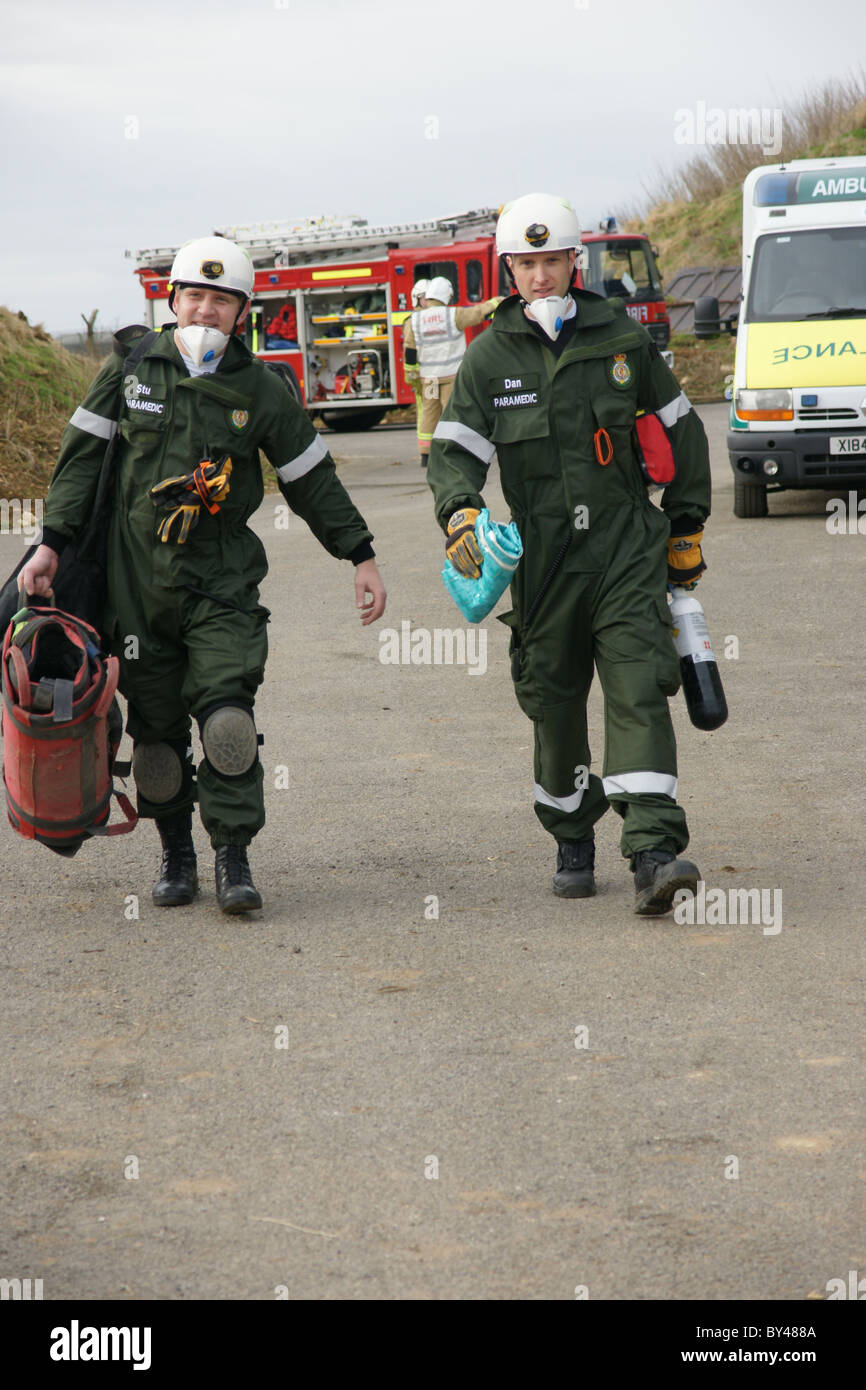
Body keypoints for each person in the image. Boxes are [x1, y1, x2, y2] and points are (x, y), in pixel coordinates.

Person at [21, 236, 386, 915]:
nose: (207, 310)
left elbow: (311, 480)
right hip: (135, 590)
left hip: (220, 587)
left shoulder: (260, 388)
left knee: (227, 723)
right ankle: (176, 853)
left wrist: (359, 553)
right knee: (157, 740)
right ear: (173, 299)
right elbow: (77, 464)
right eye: (196, 295)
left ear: (242, 311)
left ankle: (233, 856)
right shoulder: (130, 369)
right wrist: (50, 545)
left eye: (223, 300)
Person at [427, 194, 711, 915]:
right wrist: (461, 511)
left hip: (623, 550)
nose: (541, 275)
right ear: (508, 269)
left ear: (573, 262)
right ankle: (571, 836)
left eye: (552, 260)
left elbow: (680, 431)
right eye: (526, 263)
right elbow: (454, 450)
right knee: (553, 705)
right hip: (543, 561)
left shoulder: (620, 339)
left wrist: (684, 529)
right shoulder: (490, 356)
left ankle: (652, 852)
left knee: (639, 688)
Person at [403, 274, 502, 466]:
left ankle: (426, 455)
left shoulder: (415, 320)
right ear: (445, 296)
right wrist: (495, 302)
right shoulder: (452, 315)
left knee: (430, 414)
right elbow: (477, 313)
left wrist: (412, 375)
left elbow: (410, 350)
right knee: (453, 413)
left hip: (429, 379)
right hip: (450, 377)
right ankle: (454, 451)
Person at [403, 277, 429, 455]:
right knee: (425, 408)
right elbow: (409, 348)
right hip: (423, 373)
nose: (427, 301)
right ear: (417, 299)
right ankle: (426, 451)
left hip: (432, 372)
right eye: (424, 297)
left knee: (429, 408)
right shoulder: (413, 320)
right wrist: (412, 374)